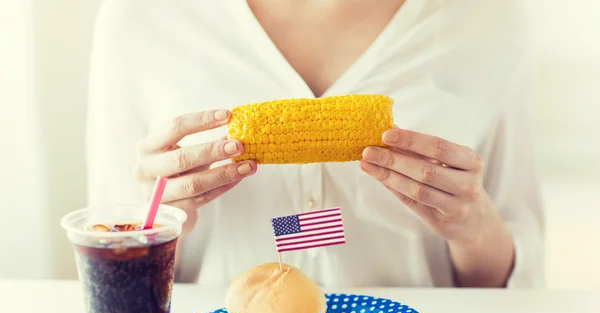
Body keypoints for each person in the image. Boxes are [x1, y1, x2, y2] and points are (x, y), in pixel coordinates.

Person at [85, 0, 545, 288]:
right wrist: (160, 224)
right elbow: (113, 280)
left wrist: (472, 227)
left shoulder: (489, 17)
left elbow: (514, 286)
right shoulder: (140, 17)